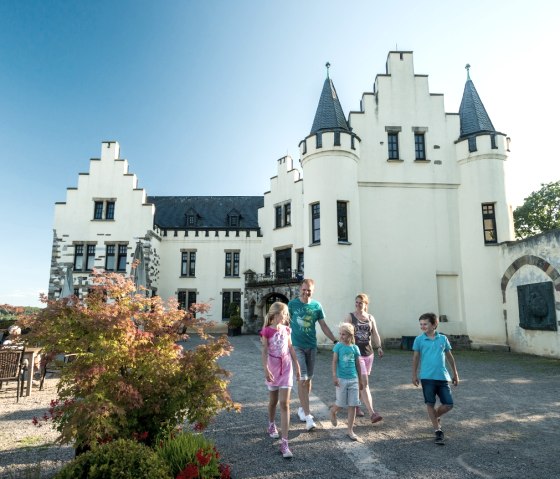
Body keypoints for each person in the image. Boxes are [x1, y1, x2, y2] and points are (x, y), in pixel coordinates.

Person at [288, 278, 337, 431]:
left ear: (312, 290)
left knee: (308, 380)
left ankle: (302, 408)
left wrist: (335, 340)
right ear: (299, 289)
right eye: (303, 289)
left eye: (309, 290)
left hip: (312, 346)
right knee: (302, 378)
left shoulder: (317, 306)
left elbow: (323, 325)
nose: (306, 292)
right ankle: (309, 417)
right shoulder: (292, 305)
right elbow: (285, 323)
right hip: (297, 347)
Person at [412, 312, 459, 445]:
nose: (422, 326)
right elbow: (416, 358)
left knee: (449, 404)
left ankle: (435, 417)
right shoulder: (419, 340)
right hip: (427, 377)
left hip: (442, 377)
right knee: (430, 403)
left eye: (425, 324)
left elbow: (450, 357)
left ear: (434, 324)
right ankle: (437, 430)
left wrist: (455, 373)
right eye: (421, 324)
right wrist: (414, 375)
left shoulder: (443, 339)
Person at [260, 302, 301, 458]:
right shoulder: (267, 331)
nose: (286, 316)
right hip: (273, 368)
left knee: (285, 403)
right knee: (273, 401)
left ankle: (285, 443)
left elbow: (290, 348)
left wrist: (297, 366)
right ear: (276, 314)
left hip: (286, 367)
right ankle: (271, 424)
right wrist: (265, 368)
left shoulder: (287, 329)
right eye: (285, 313)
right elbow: (264, 351)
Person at [345, 293, 383, 423]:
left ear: (366, 304)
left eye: (360, 302)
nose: (358, 304)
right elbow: (344, 333)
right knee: (364, 382)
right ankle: (372, 412)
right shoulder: (350, 317)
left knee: (360, 382)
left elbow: (375, 334)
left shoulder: (370, 318)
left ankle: (355, 406)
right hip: (356, 354)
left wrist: (379, 347)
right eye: (356, 302)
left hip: (369, 354)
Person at [329, 323, 363, 441]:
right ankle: (333, 412)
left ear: (350, 335)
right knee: (341, 403)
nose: (341, 336)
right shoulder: (338, 346)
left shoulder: (355, 348)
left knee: (353, 404)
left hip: (353, 379)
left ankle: (350, 430)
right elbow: (334, 362)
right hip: (341, 379)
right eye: (340, 334)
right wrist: (334, 376)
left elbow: (358, 365)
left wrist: (361, 380)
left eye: (344, 334)